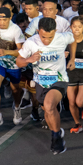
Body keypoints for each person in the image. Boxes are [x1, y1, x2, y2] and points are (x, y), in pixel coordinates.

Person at [17, 17, 76, 155]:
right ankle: (57, 131)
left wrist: (71, 58)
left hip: (59, 80)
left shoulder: (62, 37)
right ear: (38, 31)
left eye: (50, 37)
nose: (47, 41)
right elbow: (19, 62)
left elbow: (73, 40)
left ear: (55, 31)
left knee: (49, 106)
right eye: (43, 37)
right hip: (40, 82)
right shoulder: (31, 42)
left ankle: (56, 138)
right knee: (47, 111)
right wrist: (28, 60)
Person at [0, 7, 26, 128]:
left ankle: (17, 107)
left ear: (10, 18)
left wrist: (6, 52)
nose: (2, 22)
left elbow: (21, 51)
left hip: (14, 64)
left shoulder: (15, 30)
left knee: (15, 90)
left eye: (4, 19)